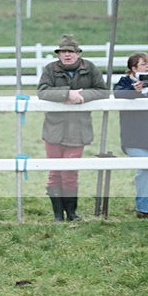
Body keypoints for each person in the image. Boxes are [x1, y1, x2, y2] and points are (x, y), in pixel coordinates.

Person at [37, 34, 108, 221]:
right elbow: (42, 91)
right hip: (54, 128)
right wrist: (66, 94)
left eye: (71, 51)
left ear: (78, 53)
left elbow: (103, 91)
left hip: (79, 127)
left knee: (70, 171)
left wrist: (83, 95)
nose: (67, 55)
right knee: (54, 172)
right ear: (58, 54)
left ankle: (72, 213)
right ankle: (58, 214)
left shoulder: (90, 68)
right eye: (63, 52)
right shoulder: (50, 69)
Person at [113, 53, 148, 219]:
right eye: (144, 63)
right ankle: (144, 208)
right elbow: (118, 94)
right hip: (133, 135)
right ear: (133, 68)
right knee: (146, 167)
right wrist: (134, 90)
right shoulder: (124, 82)